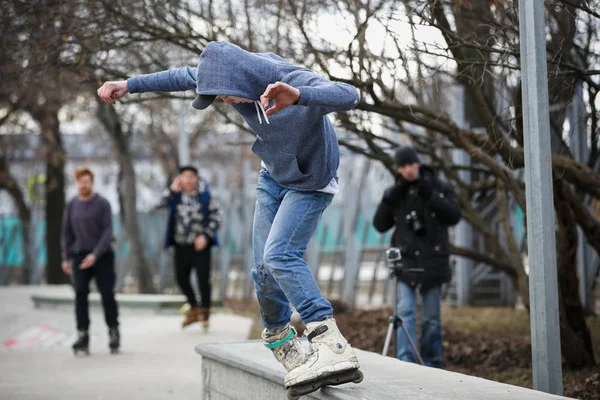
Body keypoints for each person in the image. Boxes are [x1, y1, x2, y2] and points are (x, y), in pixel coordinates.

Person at [97, 41, 362, 394]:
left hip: (312, 182)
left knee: (280, 254)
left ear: (239, 80)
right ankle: (284, 343)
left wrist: (297, 95)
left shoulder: (289, 78)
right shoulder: (222, 72)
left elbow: (349, 94)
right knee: (262, 269)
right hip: (273, 177)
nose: (224, 102)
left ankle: (331, 344)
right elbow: (180, 76)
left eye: (224, 95)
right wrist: (128, 85)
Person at [373, 146, 462, 367]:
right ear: (399, 169)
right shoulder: (398, 192)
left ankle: (431, 362)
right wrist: (387, 200)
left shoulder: (437, 186)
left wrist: (430, 195)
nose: (408, 170)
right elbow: (380, 225)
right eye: (403, 166)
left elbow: (454, 216)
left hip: (433, 260)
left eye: (411, 164)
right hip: (406, 261)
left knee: (431, 319)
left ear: (418, 164)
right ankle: (406, 363)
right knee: (405, 313)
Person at [61, 167, 119, 355]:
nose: (83, 185)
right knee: (80, 295)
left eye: (86, 181)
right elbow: (67, 233)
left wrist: (95, 254)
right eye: (80, 181)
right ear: (77, 183)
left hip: (102, 255)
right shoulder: (72, 205)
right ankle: (83, 334)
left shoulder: (102, 203)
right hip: (79, 255)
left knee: (107, 294)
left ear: (92, 182)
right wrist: (66, 257)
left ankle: (113, 331)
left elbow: (107, 232)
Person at [161, 165, 221, 330]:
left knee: (203, 279)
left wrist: (205, 236)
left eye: (191, 177)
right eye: (184, 177)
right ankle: (194, 307)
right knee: (181, 277)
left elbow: (217, 218)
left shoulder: (205, 196)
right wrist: (172, 190)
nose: (188, 180)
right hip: (181, 244)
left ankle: (204, 314)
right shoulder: (176, 196)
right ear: (180, 179)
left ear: (196, 178)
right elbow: (159, 205)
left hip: (201, 245)